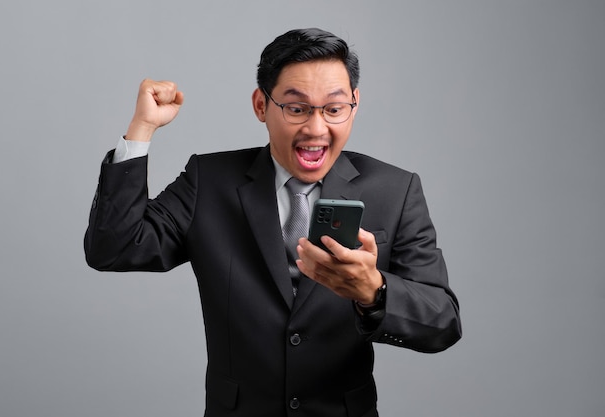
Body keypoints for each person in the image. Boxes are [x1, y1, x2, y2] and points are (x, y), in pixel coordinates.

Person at [85, 27, 461, 417]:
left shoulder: (396, 190)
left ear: (354, 104)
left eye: (333, 109)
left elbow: (443, 322)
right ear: (261, 106)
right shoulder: (209, 181)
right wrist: (140, 131)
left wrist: (374, 290)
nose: (316, 129)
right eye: (296, 109)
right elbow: (113, 248)